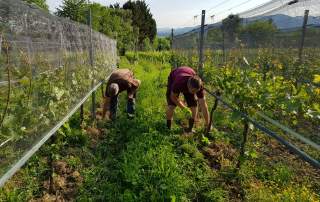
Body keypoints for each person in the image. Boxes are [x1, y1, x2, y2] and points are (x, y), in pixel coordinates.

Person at [166, 66, 210, 132]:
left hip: (189, 74)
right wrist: (183, 108)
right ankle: (168, 128)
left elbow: (204, 105)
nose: (194, 93)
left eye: (196, 91)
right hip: (174, 76)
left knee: (194, 106)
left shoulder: (199, 86)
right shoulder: (178, 83)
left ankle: (190, 128)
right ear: (188, 86)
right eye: (193, 91)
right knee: (171, 106)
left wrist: (207, 124)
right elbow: (173, 97)